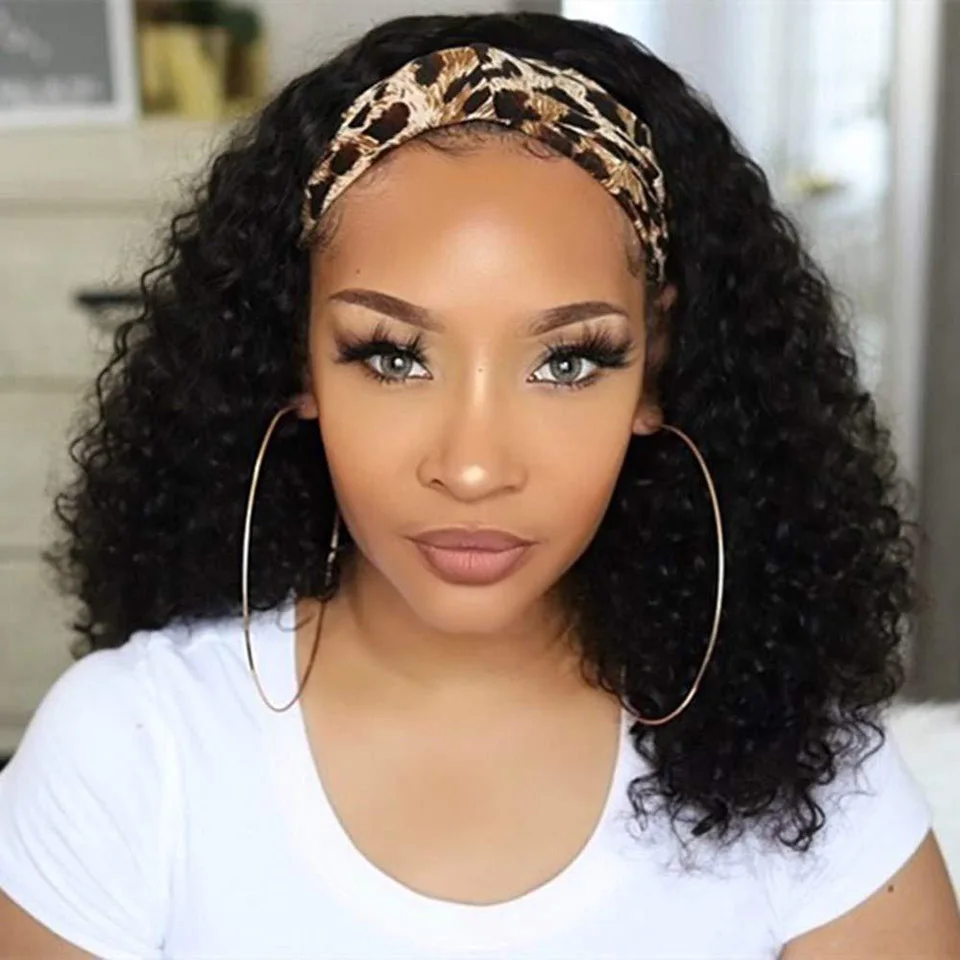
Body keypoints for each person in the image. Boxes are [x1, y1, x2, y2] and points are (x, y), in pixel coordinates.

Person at [1, 11, 958, 959]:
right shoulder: (133, 752)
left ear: (655, 367)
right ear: (296, 356)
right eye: (392, 356)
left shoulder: (808, 777)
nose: (472, 467)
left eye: (568, 362)